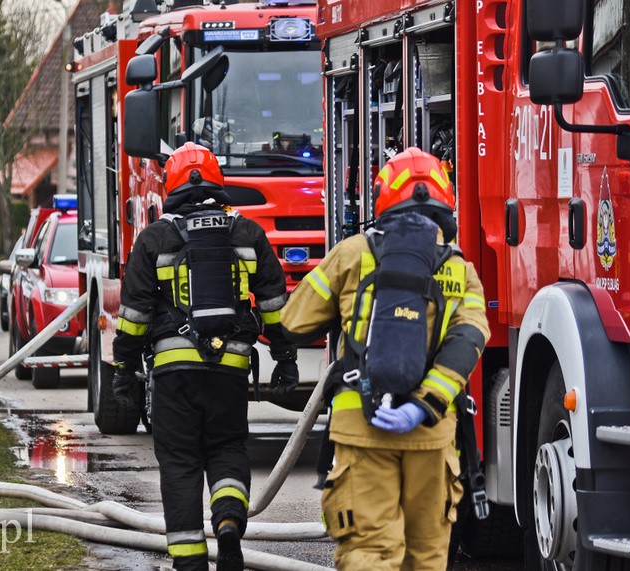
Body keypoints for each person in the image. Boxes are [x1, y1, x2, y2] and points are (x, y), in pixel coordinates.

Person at [281, 147, 490, 570]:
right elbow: (470, 338)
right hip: (432, 434)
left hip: (362, 425)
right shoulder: (459, 268)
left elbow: (295, 321)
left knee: (369, 554)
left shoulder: (352, 252)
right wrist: (423, 405)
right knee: (427, 558)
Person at [111, 142, 299, 571]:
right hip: (230, 369)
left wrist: (124, 368)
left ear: (171, 184)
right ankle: (229, 522)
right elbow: (274, 304)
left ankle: (190, 562)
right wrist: (285, 359)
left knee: (180, 464)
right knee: (227, 448)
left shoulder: (155, 238)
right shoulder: (247, 233)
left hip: (174, 375)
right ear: (218, 182)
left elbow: (135, 315)